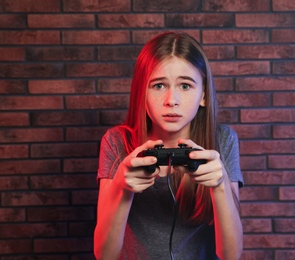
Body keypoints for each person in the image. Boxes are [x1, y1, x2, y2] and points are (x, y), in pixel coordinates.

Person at [94, 32, 244, 260]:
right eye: (158, 85)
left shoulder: (222, 140)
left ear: (203, 95)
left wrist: (220, 184)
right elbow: (104, 255)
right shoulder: (117, 141)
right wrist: (121, 188)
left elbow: (231, 255)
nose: (171, 100)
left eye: (185, 86)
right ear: (141, 93)